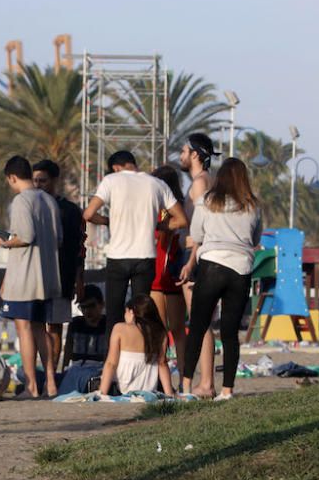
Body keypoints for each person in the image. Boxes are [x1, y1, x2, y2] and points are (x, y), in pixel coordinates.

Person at [180, 158, 262, 401]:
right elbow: (256, 237)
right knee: (229, 332)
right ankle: (227, 390)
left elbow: (196, 235)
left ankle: (185, 386)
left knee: (197, 326)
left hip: (212, 266)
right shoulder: (253, 205)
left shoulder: (206, 201)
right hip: (241, 269)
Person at [82, 150, 187, 332]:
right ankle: (142, 355)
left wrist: (108, 221)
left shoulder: (111, 181)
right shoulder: (157, 184)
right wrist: (157, 225)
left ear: (115, 167)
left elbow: (88, 214)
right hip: (145, 257)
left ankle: (112, 357)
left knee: (114, 315)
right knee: (142, 314)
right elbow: (181, 220)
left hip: (118, 256)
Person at [0, 155, 62, 398]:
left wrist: (5, 242)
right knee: (40, 329)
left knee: (23, 328)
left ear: (12, 177)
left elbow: (25, 235)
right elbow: (59, 238)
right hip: (46, 277)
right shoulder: (49, 201)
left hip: (24, 277)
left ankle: (32, 385)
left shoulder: (22, 201)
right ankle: (51, 382)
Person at [32, 159, 85, 369]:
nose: (38, 185)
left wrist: (79, 278)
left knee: (55, 326)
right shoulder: (30, 207)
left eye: (42, 180)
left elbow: (79, 246)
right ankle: (41, 372)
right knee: (35, 325)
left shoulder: (70, 211)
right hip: (34, 277)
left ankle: (52, 372)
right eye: (34, 180)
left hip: (62, 276)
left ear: (55, 180)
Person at [178, 133, 219, 396]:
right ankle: (205, 382)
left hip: (196, 256)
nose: (180, 156)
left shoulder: (200, 184)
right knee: (200, 321)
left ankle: (206, 383)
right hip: (197, 254)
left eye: (183, 151)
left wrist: (191, 261)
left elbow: (202, 226)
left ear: (195, 154)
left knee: (200, 322)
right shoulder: (203, 182)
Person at [148, 165, 188, 383]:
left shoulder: (163, 210)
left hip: (161, 271)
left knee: (163, 330)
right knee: (176, 330)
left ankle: (165, 379)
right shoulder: (180, 207)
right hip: (169, 272)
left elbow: (164, 236)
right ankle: (182, 378)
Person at [98, 294, 174, 396]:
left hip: (122, 390)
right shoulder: (160, 333)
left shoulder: (120, 329)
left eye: (125, 312)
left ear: (131, 312)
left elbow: (111, 363)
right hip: (149, 390)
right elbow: (162, 364)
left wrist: (101, 393)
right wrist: (170, 394)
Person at [57, 284, 108, 395]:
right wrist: (64, 369)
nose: (87, 311)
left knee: (78, 376)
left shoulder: (108, 325)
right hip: (76, 367)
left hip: (97, 369)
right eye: (83, 307)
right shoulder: (75, 323)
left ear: (101, 305)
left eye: (91, 306)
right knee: (22, 372)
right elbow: (68, 348)